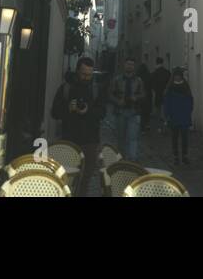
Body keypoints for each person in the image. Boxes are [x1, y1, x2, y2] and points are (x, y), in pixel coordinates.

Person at [51, 57, 104, 196]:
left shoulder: (96, 89)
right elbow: (54, 112)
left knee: (85, 178)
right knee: (68, 178)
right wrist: (68, 109)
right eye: (84, 74)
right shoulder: (66, 88)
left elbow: (103, 112)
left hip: (90, 140)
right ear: (77, 71)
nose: (87, 77)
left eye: (89, 74)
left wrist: (88, 110)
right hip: (69, 140)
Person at [108, 58, 145, 160]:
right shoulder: (117, 80)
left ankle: (132, 158)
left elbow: (143, 94)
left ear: (134, 67)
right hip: (120, 112)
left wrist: (136, 98)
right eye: (128, 64)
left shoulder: (138, 80)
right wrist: (117, 101)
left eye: (132, 65)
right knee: (121, 137)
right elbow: (110, 94)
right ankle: (121, 158)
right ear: (124, 66)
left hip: (134, 111)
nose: (129, 66)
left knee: (132, 137)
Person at [162, 67, 193, 165]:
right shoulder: (170, 87)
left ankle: (185, 156)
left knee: (184, 137)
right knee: (174, 137)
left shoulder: (185, 86)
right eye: (176, 76)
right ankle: (175, 156)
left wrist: (188, 111)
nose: (177, 78)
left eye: (179, 76)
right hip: (173, 115)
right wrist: (167, 114)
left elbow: (190, 100)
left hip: (184, 115)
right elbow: (167, 102)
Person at [149, 58, 171, 133]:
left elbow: (151, 85)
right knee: (165, 113)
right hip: (166, 94)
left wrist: (154, 91)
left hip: (157, 94)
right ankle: (165, 127)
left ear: (156, 63)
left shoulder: (153, 73)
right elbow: (170, 83)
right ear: (163, 62)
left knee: (157, 113)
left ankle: (159, 127)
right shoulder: (167, 72)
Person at [137, 60, 152, 133]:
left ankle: (142, 127)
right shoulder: (148, 75)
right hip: (148, 95)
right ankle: (147, 124)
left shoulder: (138, 76)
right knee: (147, 112)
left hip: (140, 96)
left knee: (141, 112)